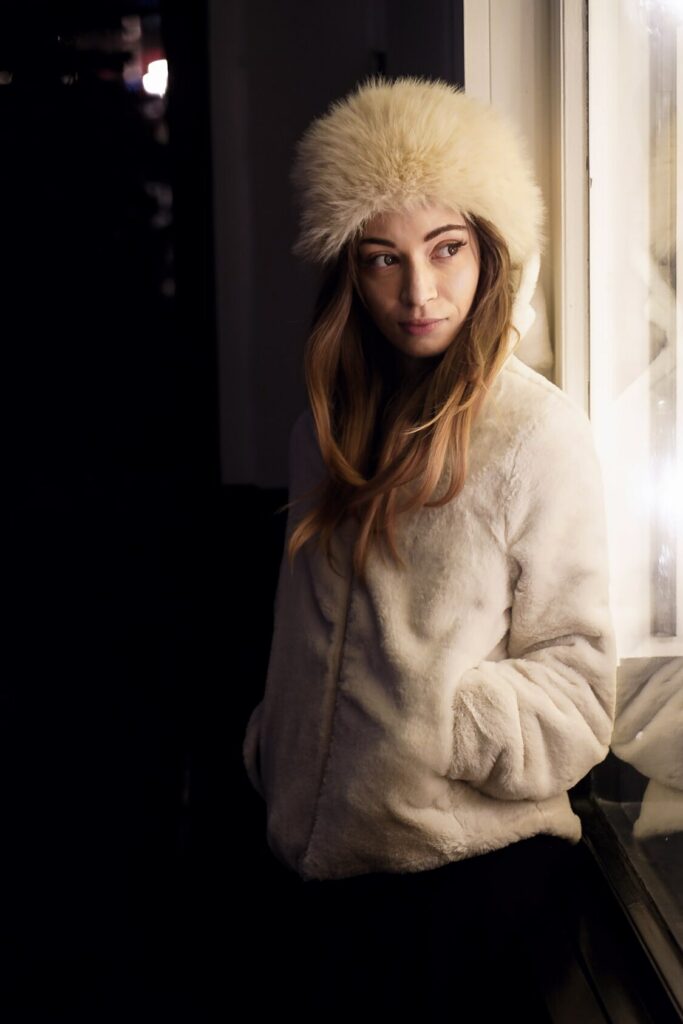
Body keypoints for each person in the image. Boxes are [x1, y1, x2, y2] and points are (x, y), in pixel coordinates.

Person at [241, 75, 618, 1021]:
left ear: (488, 250)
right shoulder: (315, 433)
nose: (418, 291)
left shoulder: (537, 433)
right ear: (348, 273)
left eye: (446, 249)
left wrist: (433, 723)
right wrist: (275, 747)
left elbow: (578, 685)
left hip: (464, 893)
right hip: (308, 873)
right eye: (382, 259)